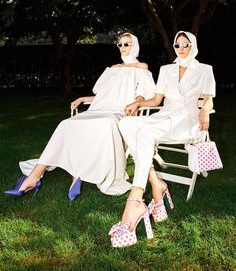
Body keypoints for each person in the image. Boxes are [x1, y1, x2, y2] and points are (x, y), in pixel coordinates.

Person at [4, 33, 156, 199]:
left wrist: (137, 103)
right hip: (99, 109)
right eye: (120, 45)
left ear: (134, 45)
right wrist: (83, 98)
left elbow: (144, 94)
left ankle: (77, 174)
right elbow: (104, 96)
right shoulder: (113, 68)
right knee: (66, 124)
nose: (122, 48)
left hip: (121, 112)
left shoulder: (142, 67)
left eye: (126, 44)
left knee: (106, 124)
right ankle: (34, 177)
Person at [109, 31, 216, 248]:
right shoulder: (166, 70)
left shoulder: (204, 69)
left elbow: (208, 98)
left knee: (145, 134)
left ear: (193, 46)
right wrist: (138, 104)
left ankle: (136, 200)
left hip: (187, 120)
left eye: (186, 44)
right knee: (126, 123)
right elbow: (158, 99)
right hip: (164, 116)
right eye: (178, 45)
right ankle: (156, 183)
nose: (182, 48)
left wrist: (205, 109)